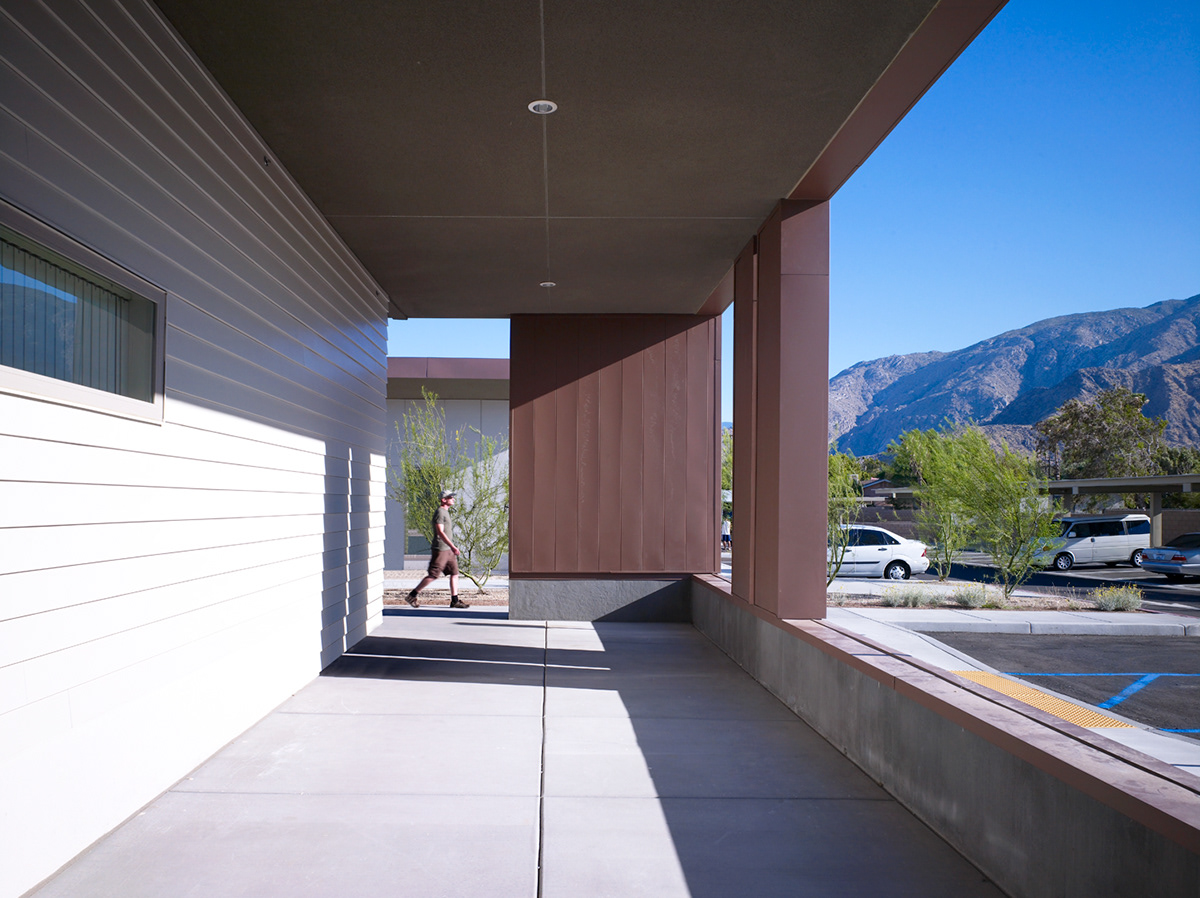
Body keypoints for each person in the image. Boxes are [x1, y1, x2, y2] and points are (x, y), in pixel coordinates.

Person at [406, 490, 469, 609]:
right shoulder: (440, 512)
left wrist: (451, 547)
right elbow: (440, 531)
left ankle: (454, 600)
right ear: (444, 500)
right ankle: (412, 595)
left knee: (454, 573)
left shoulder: (445, 512)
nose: (453, 499)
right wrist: (453, 546)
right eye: (450, 497)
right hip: (441, 549)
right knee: (433, 575)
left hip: (448, 550)